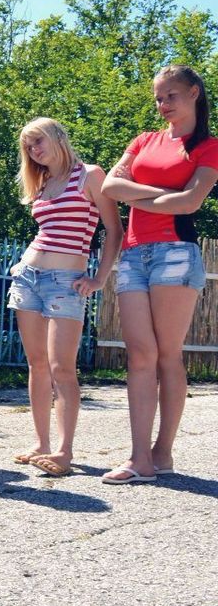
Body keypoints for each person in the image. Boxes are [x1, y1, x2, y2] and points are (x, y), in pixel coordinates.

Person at [100, 65, 218, 485]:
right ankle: (139, 458)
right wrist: (164, 195)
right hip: (133, 255)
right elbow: (111, 187)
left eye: (170, 96)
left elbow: (190, 205)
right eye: (158, 98)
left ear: (193, 93)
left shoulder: (207, 147)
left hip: (176, 255)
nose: (163, 104)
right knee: (139, 354)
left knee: (167, 354)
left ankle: (161, 453)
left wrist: (152, 196)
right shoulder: (144, 141)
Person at [9, 119, 122, 477]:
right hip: (28, 277)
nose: (34, 151)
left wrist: (100, 278)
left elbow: (114, 229)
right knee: (37, 365)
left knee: (62, 368)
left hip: (66, 281)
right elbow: (46, 232)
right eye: (28, 146)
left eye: (38, 141)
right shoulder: (41, 182)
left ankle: (64, 451)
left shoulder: (89, 175)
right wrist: (20, 266)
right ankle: (41, 443)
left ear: (58, 137)